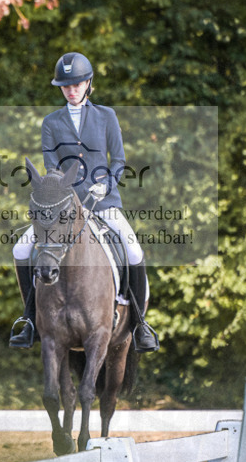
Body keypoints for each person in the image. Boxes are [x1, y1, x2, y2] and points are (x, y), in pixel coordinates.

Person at [9, 51, 159, 352]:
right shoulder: (51, 123)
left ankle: (140, 324)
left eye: (77, 84)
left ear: (88, 83)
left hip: (104, 204)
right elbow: (52, 171)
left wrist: (106, 185)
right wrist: (66, 199)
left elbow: (118, 160)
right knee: (21, 247)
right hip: (65, 209)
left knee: (133, 248)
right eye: (66, 86)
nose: (71, 90)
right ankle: (30, 319)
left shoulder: (106, 117)